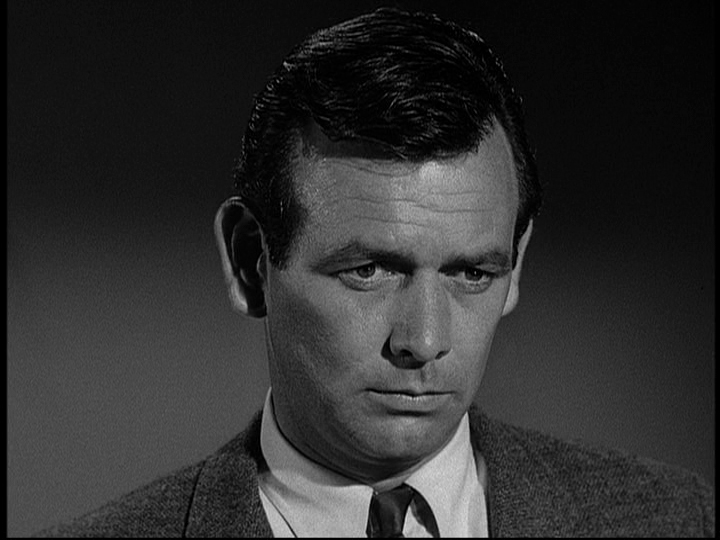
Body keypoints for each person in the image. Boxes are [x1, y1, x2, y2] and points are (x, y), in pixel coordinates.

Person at [36, 7, 714, 538]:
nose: (423, 342)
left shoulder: (677, 521)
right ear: (249, 262)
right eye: (368, 270)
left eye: (472, 273)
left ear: (517, 264)